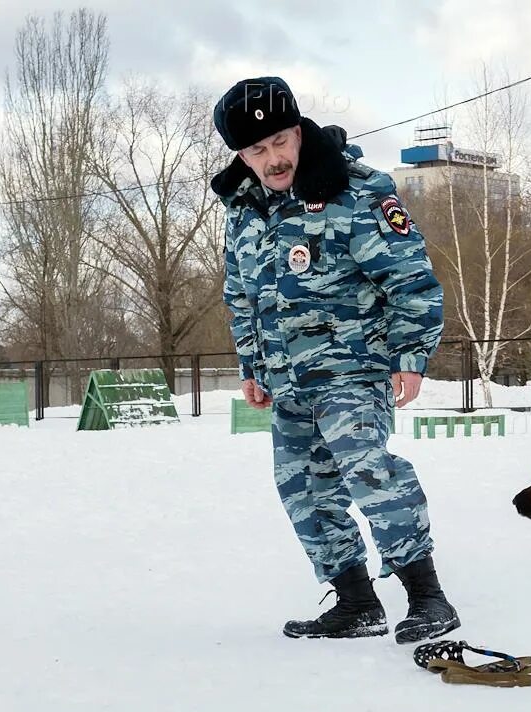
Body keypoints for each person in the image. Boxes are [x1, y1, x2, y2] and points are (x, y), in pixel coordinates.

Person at [211, 76, 459, 643]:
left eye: (279, 142)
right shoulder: (244, 210)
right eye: (256, 150)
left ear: (298, 132)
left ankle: (427, 596)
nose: (272, 159)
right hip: (288, 381)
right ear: (242, 155)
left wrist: (411, 355)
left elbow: (411, 280)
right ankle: (356, 603)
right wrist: (252, 365)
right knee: (302, 487)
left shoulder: (358, 190)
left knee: (370, 472)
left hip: (355, 369)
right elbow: (241, 295)